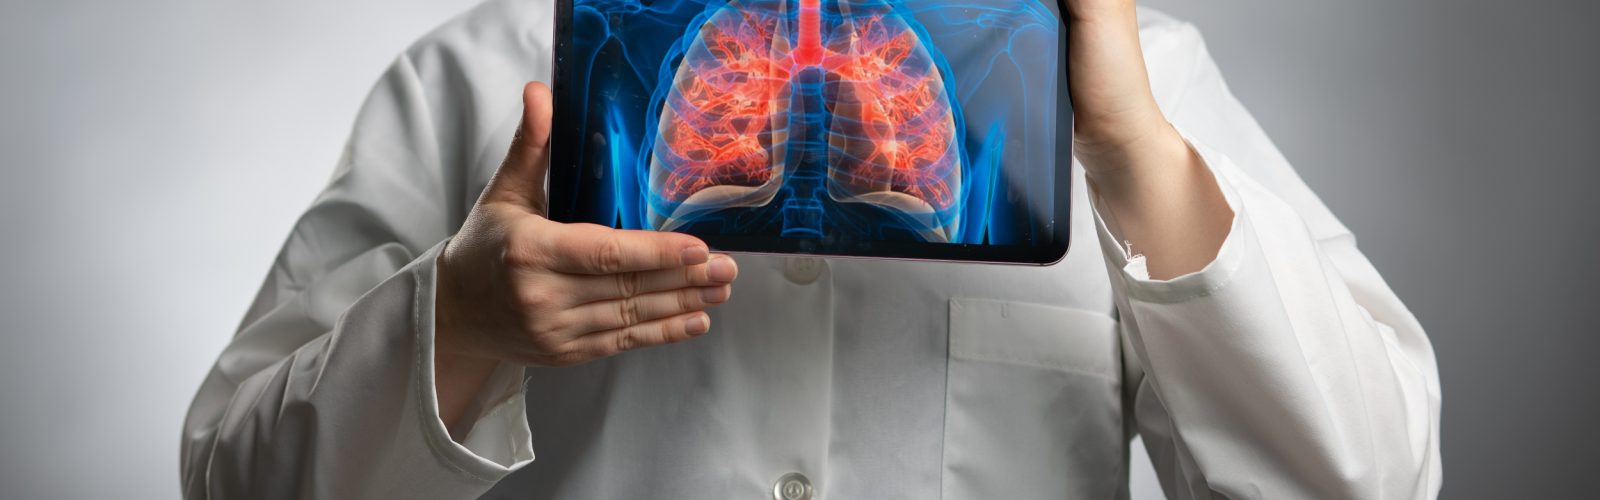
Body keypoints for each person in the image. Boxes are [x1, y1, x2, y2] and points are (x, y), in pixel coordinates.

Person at [180, 0, 1442, 498]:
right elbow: (238, 480)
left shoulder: (1128, 70)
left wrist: (1135, 154)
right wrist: (454, 326)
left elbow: (1363, 483)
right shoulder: (481, 75)